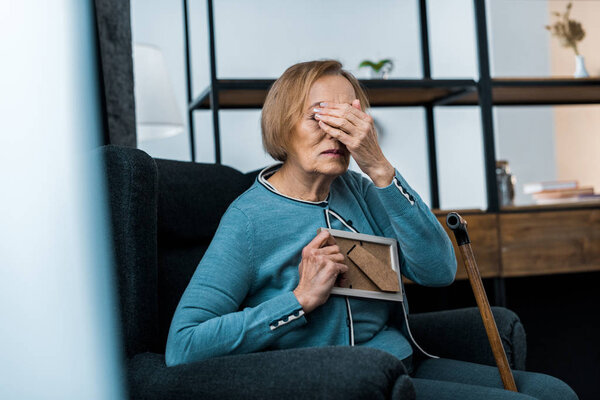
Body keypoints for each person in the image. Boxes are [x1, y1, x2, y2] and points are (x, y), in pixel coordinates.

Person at [165, 60, 578, 400]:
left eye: (350, 117)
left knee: (554, 393)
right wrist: (299, 300)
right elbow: (184, 347)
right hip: (341, 383)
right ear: (281, 125)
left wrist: (378, 166)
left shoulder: (360, 190)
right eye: (320, 116)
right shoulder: (249, 219)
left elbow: (436, 270)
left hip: (401, 363)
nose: (337, 132)